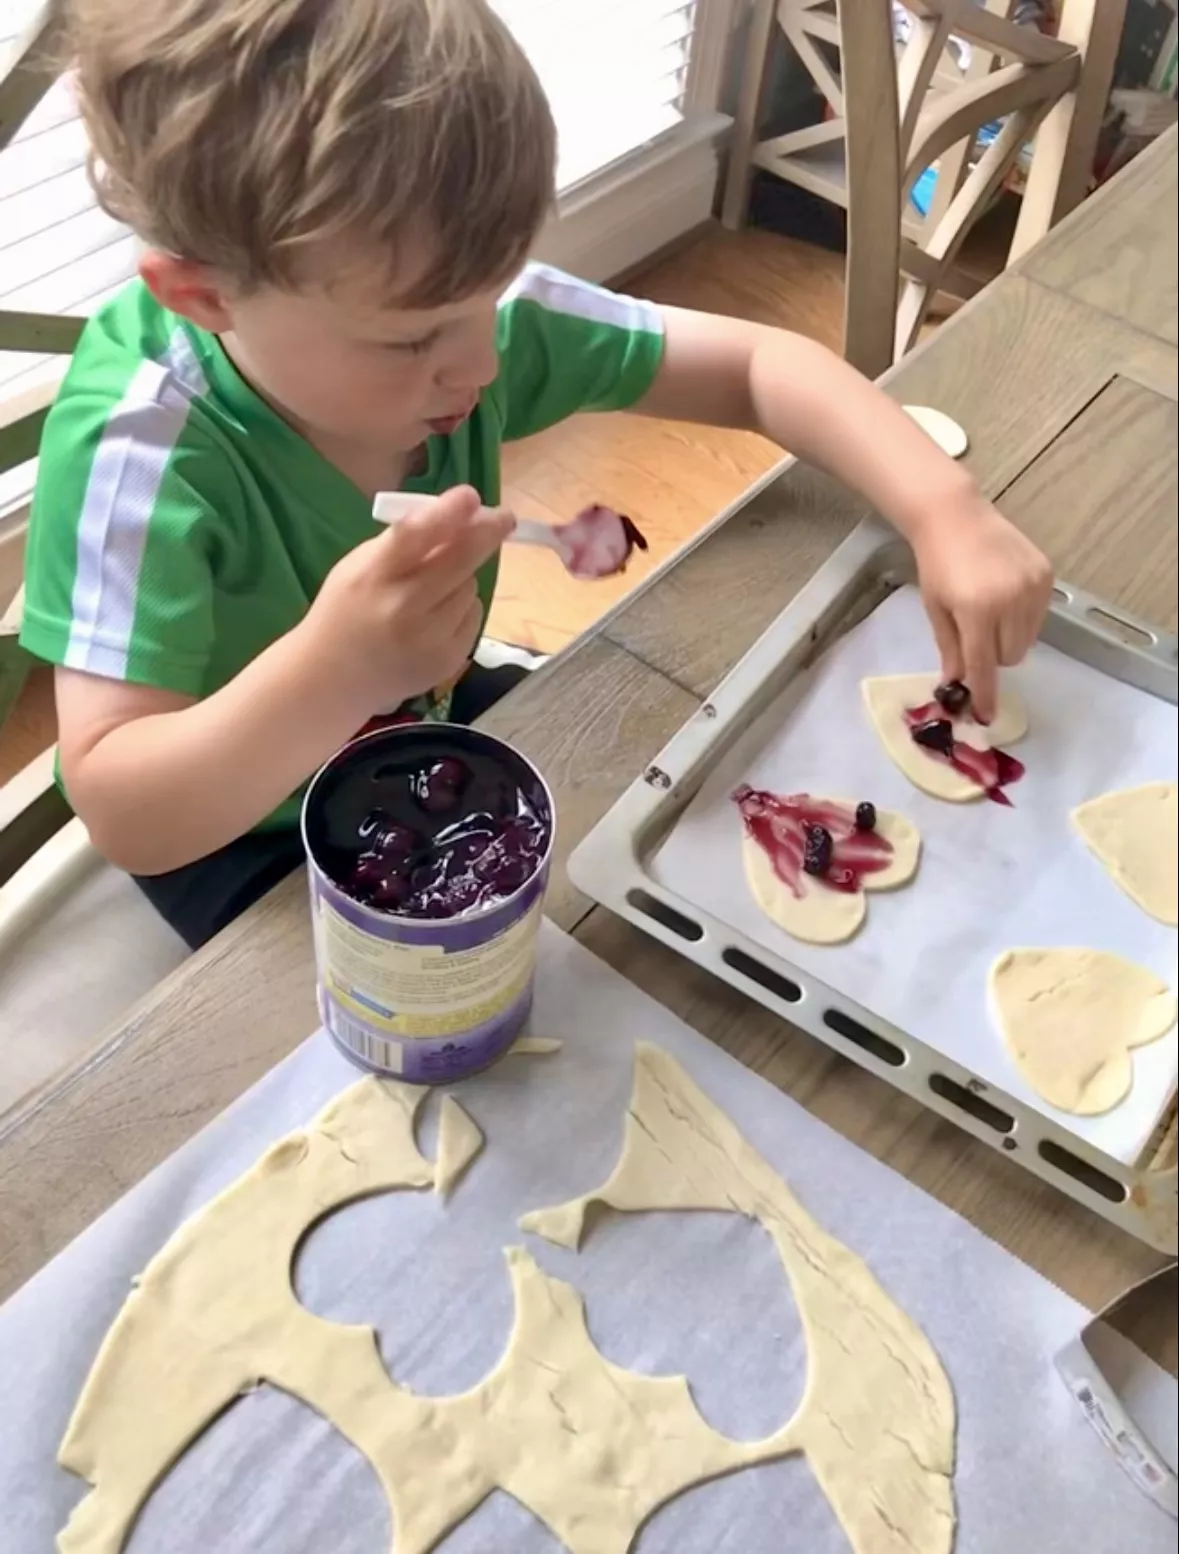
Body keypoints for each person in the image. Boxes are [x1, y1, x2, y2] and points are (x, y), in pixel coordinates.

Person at [21, 0, 1053, 950]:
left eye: (493, 295)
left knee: (673, 837)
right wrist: (334, 671)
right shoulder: (144, 454)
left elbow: (758, 365)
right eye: (412, 340)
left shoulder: (467, 310)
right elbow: (126, 807)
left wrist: (943, 508)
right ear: (204, 300)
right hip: (242, 829)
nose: (478, 363)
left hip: (432, 713)